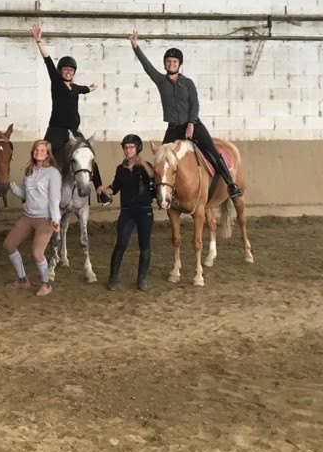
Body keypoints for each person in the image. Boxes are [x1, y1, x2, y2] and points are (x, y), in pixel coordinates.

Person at [129, 31, 243, 197]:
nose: (171, 64)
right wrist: (135, 47)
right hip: (174, 127)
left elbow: (195, 104)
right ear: (165, 64)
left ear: (179, 64)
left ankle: (230, 183)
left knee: (212, 151)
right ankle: (157, 189)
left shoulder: (187, 83)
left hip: (193, 124)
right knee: (162, 156)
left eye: (174, 61)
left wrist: (191, 123)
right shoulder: (161, 81)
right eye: (168, 61)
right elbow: (147, 66)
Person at [30, 25, 111, 205]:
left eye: (71, 70)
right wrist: (38, 41)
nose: (68, 72)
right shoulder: (57, 83)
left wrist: (91, 88)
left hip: (74, 130)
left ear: (74, 73)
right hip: (56, 129)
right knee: (41, 154)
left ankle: (99, 191)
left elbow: (85, 89)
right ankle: (33, 190)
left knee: (88, 155)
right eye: (65, 69)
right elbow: (47, 60)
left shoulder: (75, 88)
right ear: (60, 71)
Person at [97, 134, 156, 292]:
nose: (128, 150)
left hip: (144, 210)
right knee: (121, 243)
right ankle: (113, 277)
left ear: (138, 149)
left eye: (131, 147)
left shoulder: (145, 166)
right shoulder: (120, 169)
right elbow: (114, 188)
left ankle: (141, 278)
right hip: (127, 211)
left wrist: (142, 163)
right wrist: (104, 189)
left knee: (144, 245)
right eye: (126, 147)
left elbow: (153, 176)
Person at [3, 139, 62, 297]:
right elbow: (25, 196)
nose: (39, 153)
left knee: (37, 253)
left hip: (45, 218)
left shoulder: (53, 173)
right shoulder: (29, 171)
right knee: (9, 245)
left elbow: (54, 198)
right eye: (36, 150)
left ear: (48, 153)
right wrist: (12, 187)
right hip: (28, 216)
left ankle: (46, 284)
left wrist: (56, 219)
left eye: (42, 150)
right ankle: (22, 280)